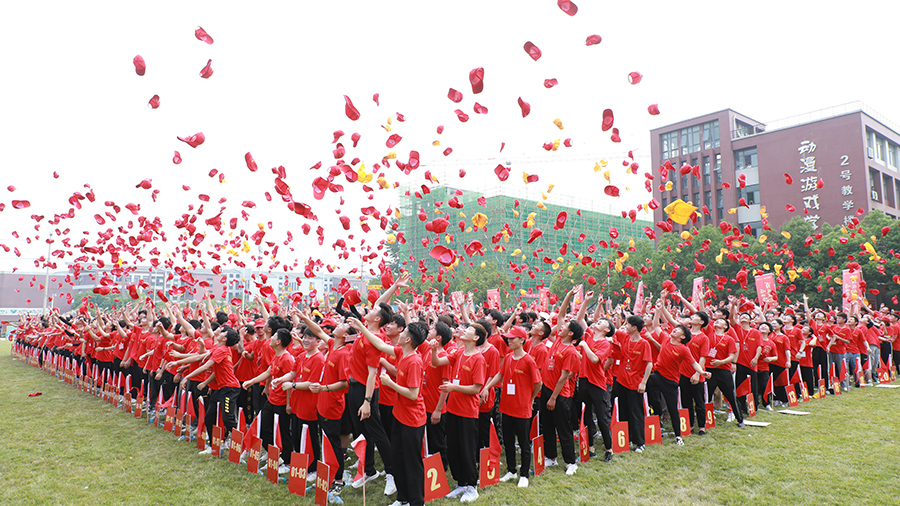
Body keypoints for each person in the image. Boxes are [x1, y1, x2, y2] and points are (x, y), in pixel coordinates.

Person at [353, 318, 429, 506]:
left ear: (408, 340)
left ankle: (417, 501)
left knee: (412, 463)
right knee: (397, 458)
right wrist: (362, 327)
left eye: (403, 333)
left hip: (413, 420)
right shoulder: (401, 352)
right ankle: (402, 498)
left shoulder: (414, 361)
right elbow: (378, 343)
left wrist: (390, 384)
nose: (399, 335)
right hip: (399, 415)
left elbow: (413, 394)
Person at [431, 322, 487, 503]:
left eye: (469, 330)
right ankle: (460, 483)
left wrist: (454, 387)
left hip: (467, 412)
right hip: (453, 409)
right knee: (453, 448)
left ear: (476, 337)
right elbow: (437, 362)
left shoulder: (479, 359)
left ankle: (472, 485)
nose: (464, 331)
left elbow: (476, 388)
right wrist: (433, 350)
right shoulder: (458, 352)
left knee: (466, 449)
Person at [482, 325, 542, 488]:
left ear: (522, 340)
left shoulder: (529, 360)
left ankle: (524, 474)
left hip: (522, 409)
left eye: (512, 338)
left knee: (523, 443)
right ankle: (511, 470)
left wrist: (530, 399)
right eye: (508, 338)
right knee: (508, 441)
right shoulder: (508, 357)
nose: (509, 340)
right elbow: (500, 375)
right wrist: (487, 386)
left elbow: (538, 383)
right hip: (506, 407)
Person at [242, 328, 295, 473]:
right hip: (272, 400)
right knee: (263, 428)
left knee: (284, 432)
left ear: (278, 342)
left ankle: (287, 461)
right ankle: (275, 454)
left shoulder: (287, 359)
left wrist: (289, 404)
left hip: (282, 402)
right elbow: (268, 373)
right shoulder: (276, 356)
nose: (270, 338)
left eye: (274, 336)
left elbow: (290, 384)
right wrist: (251, 382)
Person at [610, 315, 653, 453]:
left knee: (636, 413)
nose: (625, 326)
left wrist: (643, 382)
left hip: (635, 383)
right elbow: (612, 329)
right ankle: (625, 439)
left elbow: (649, 364)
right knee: (623, 411)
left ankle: (640, 442)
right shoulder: (625, 337)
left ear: (635, 328)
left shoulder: (644, 343)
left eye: (627, 324)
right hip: (621, 381)